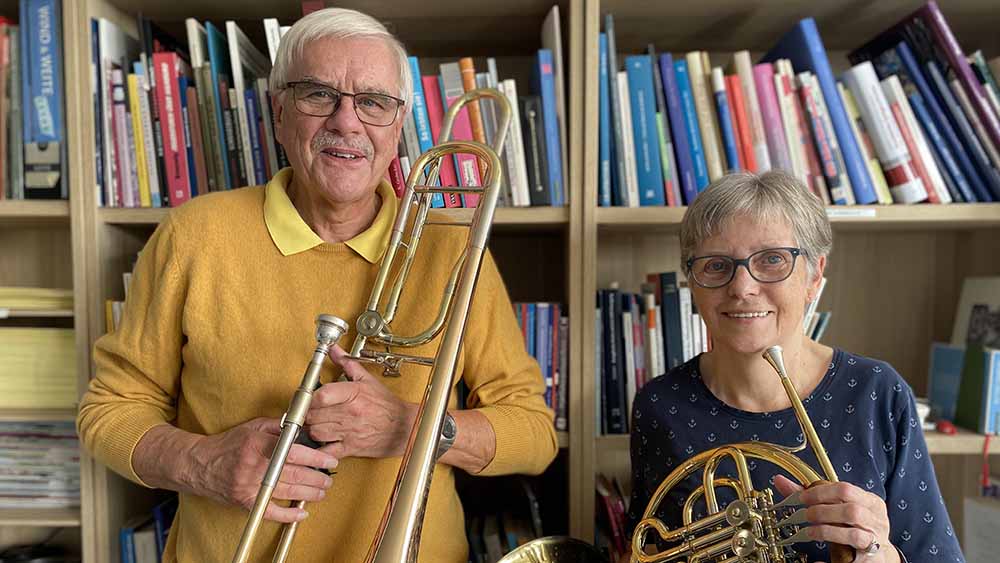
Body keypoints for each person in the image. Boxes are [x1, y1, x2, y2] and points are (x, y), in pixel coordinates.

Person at [76, 8, 557, 562]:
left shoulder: (452, 249)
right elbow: (110, 409)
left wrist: (412, 428)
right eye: (318, 95)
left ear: (398, 127)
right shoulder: (194, 235)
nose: (347, 122)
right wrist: (200, 463)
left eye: (374, 102)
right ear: (279, 113)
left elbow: (534, 434)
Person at [626, 171, 963, 563]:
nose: (742, 287)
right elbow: (647, 549)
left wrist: (879, 554)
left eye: (772, 260)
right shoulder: (660, 403)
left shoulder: (877, 392)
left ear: (814, 274)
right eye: (716, 265)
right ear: (692, 282)